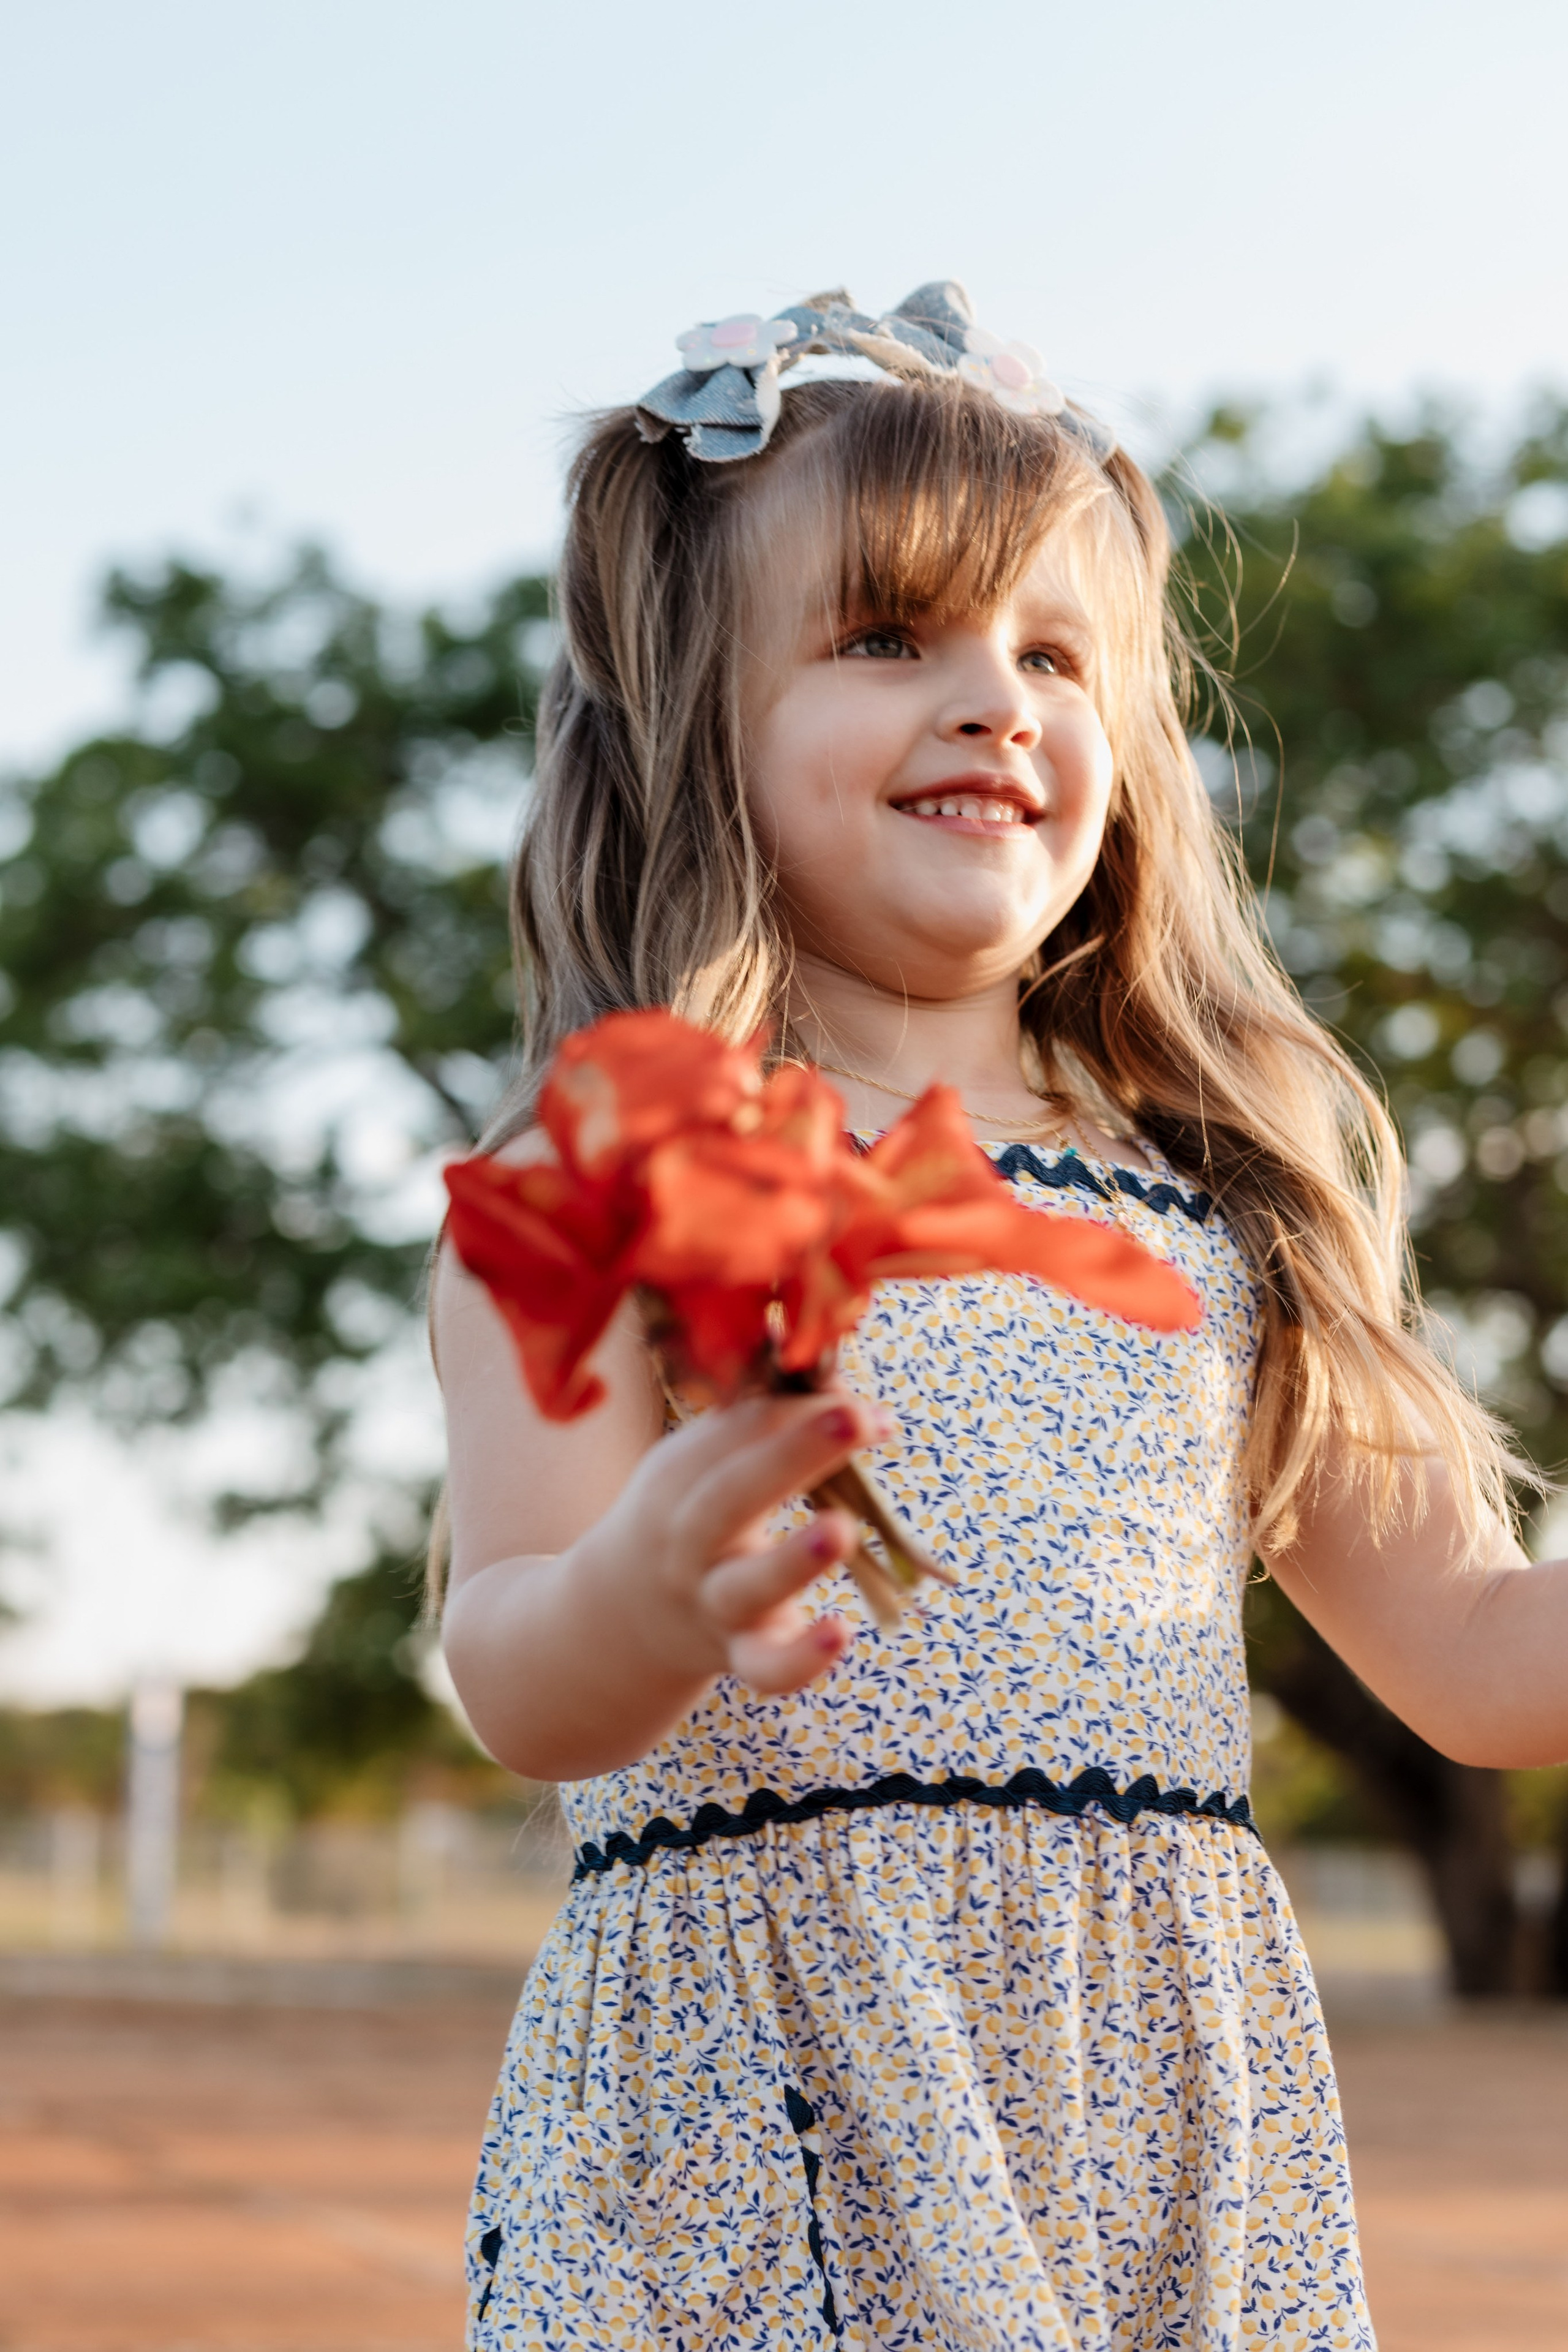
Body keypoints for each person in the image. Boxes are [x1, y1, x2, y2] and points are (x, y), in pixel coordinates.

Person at [431, 282, 1557, 2350]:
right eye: (887, 638)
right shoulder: (600, 1173)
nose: (997, 702)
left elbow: (1487, 1660)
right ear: (701, 713)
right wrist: (644, 1589)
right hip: (756, 2132)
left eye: (1055, 653)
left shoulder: (1228, 1208)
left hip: (1152, 2117)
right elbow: (510, 1657)